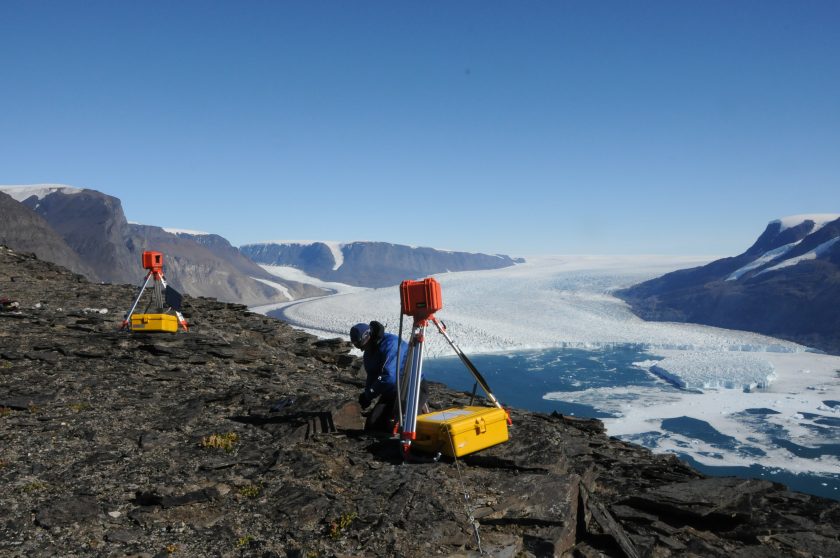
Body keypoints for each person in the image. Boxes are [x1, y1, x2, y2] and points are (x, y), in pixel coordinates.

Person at [350, 321, 428, 432]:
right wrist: (367, 395)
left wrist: (370, 393)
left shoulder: (391, 344)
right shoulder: (369, 349)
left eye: (361, 345)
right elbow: (372, 374)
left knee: (404, 424)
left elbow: (389, 377)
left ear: (368, 336)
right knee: (373, 425)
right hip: (392, 391)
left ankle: (420, 407)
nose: (361, 349)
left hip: (412, 386)